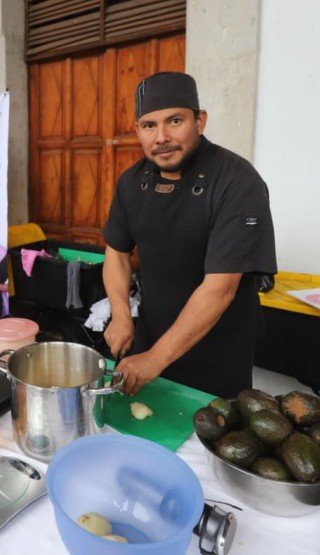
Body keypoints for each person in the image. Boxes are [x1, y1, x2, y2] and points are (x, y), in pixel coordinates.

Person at [102, 72, 276, 399]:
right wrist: (121, 313)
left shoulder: (237, 182)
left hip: (218, 347)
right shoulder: (131, 182)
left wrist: (156, 358)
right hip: (151, 332)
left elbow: (220, 289)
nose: (162, 137)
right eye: (149, 126)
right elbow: (117, 253)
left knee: (208, 438)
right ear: (138, 130)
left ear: (200, 121)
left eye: (175, 121)